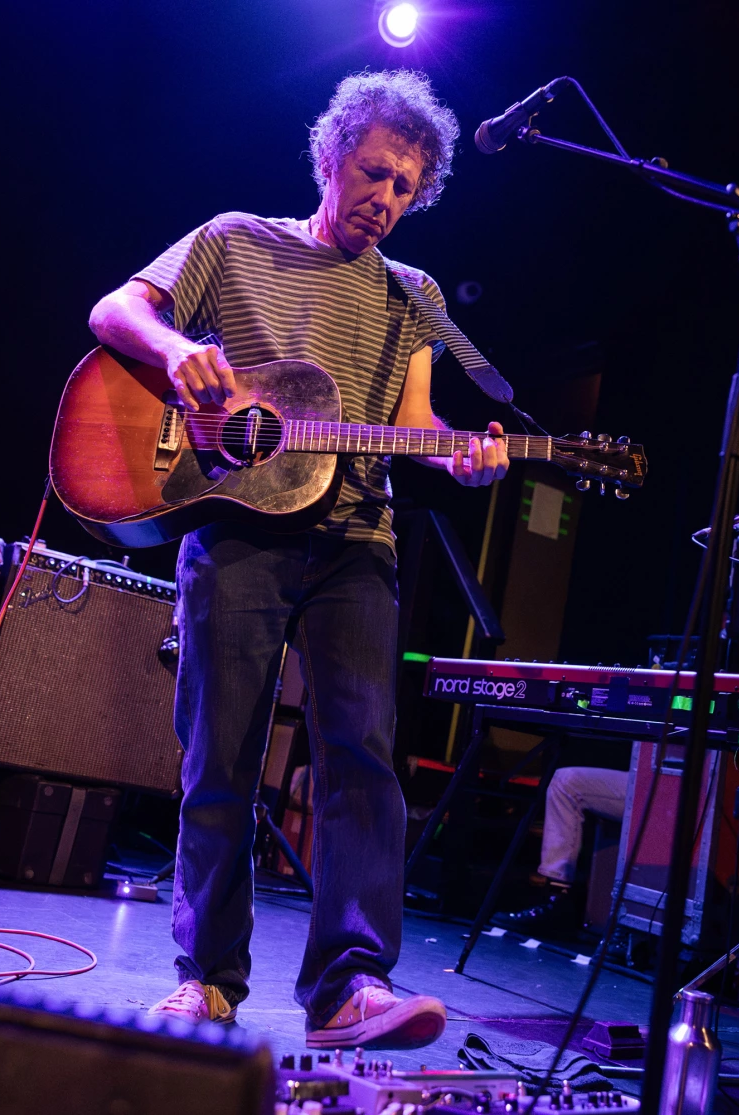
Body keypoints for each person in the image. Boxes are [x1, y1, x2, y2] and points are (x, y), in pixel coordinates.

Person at [88, 70, 509, 1050]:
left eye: (406, 186)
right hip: (234, 529)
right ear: (329, 157)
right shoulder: (237, 241)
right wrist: (172, 347)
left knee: (361, 757)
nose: (387, 198)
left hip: (356, 539)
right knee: (220, 757)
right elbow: (115, 311)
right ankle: (208, 980)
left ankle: (349, 985)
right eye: (373, 172)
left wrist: (462, 453)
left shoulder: (416, 296)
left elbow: (410, 425)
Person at [494, 767, 629, 937]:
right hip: (652, 774)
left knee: (566, 783)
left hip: (667, 788)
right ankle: (558, 897)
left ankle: (559, 900)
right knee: (565, 780)